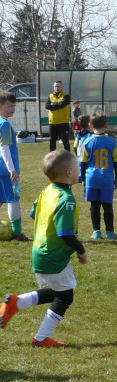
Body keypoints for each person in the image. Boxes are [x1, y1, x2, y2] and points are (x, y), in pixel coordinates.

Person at [0, 149, 87, 347]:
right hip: (54, 256)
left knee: (57, 291)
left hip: (39, 252)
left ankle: (15, 302)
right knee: (65, 297)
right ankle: (40, 339)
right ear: (68, 173)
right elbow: (65, 233)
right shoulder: (66, 200)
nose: (78, 170)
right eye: (75, 167)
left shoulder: (46, 191)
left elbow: (33, 214)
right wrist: (81, 250)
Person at [78, 111, 117, 240]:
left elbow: (83, 163)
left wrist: (84, 179)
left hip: (92, 179)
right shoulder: (111, 141)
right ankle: (109, 232)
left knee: (94, 206)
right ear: (106, 125)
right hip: (106, 178)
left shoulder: (87, 142)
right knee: (107, 205)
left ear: (91, 125)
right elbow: (116, 162)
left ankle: (96, 231)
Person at [0, 90, 29, 241]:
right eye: (10, 106)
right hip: (6, 170)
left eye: (14, 106)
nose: (13, 109)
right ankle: (17, 233)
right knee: (13, 199)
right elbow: (4, 148)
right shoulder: (4, 124)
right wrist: (11, 169)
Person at [46, 80, 72, 152]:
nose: (57, 88)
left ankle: (67, 157)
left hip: (63, 122)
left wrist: (53, 105)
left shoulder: (66, 96)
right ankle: (52, 157)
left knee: (65, 141)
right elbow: (47, 106)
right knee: (52, 140)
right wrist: (57, 104)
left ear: (61, 87)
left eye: (58, 86)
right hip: (53, 122)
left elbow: (62, 104)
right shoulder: (50, 96)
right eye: (55, 86)